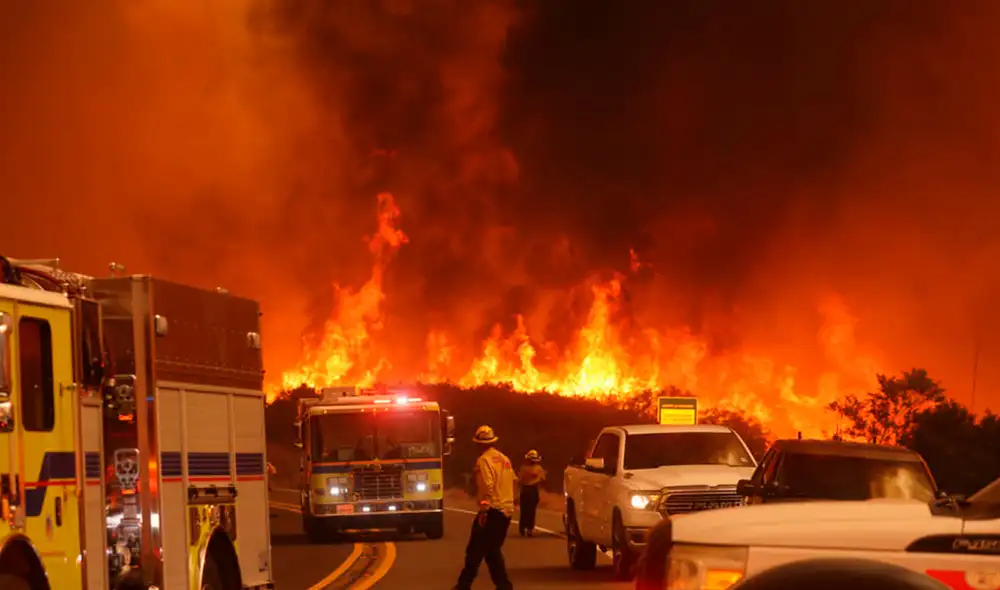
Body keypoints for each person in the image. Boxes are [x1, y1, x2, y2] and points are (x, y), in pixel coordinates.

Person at [453, 425, 515, 590]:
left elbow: (486, 485)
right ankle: (503, 586)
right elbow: (512, 481)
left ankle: (464, 585)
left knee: (475, 549)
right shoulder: (504, 459)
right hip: (506, 510)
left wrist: (484, 509)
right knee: (491, 550)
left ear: (478, 444)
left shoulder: (483, 461)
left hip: (492, 510)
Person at [517, 450, 546, 536]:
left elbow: (519, 479)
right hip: (532, 490)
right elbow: (542, 479)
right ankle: (529, 528)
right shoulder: (538, 468)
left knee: (524, 510)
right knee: (531, 511)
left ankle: (522, 528)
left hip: (525, 490)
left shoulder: (523, 468)